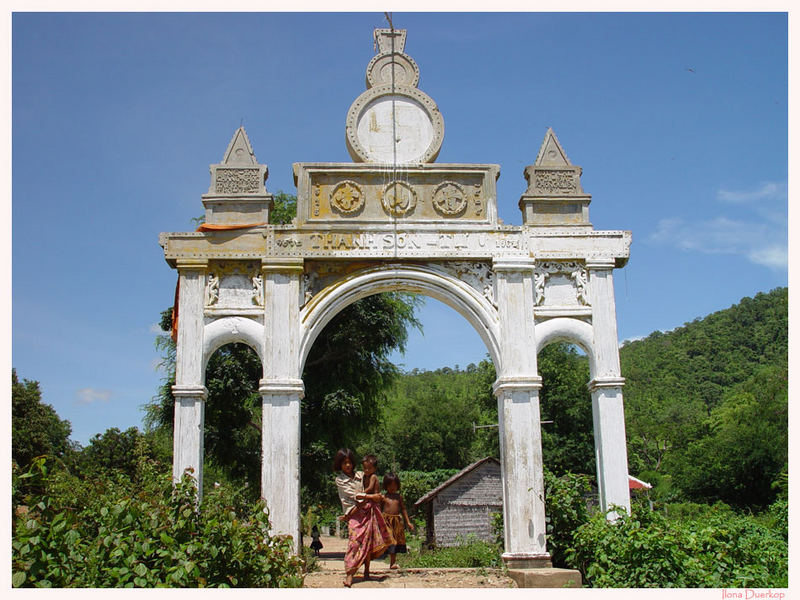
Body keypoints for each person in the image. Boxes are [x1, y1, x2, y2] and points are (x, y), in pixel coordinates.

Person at [333, 448, 392, 587]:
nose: (347, 465)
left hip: (367, 511)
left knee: (369, 542)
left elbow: (373, 486)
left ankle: (366, 572)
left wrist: (375, 497)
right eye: (344, 463)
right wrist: (373, 497)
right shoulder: (340, 480)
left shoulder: (362, 474)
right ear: (339, 465)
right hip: (354, 513)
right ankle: (349, 574)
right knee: (354, 542)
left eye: (349, 462)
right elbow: (355, 495)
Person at [381, 472, 414, 569]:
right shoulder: (383, 497)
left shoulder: (399, 497)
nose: (392, 487)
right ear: (386, 485)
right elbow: (379, 509)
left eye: (394, 485)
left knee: (395, 541)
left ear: (397, 486)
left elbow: (403, 509)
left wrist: (408, 522)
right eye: (390, 485)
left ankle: (392, 563)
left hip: (396, 521)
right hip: (386, 521)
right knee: (390, 540)